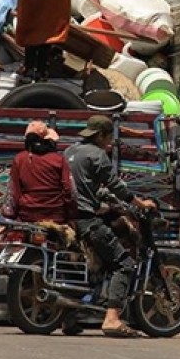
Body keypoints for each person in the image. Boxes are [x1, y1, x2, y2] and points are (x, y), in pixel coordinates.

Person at [64, 115, 155, 338]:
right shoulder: (98, 155)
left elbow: (85, 186)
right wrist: (140, 203)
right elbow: (116, 185)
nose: (110, 142)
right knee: (123, 263)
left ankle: (68, 317)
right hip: (87, 219)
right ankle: (112, 318)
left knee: (87, 266)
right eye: (108, 137)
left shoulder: (69, 152)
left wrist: (104, 202)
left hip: (69, 217)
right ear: (101, 135)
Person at [3, 121, 75, 224]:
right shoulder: (59, 159)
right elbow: (69, 189)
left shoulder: (20, 159)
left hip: (27, 216)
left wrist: (9, 215)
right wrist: (71, 214)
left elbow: (13, 191)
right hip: (56, 216)